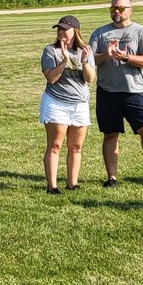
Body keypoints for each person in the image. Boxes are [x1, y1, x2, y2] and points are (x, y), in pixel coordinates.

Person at [90, 0, 143, 187]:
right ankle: (112, 178)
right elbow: (89, 60)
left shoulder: (142, 32)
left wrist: (126, 57)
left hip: (136, 91)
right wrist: (106, 55)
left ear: (130, 10)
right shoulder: (100, 33)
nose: (117, 12)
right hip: (108, 91)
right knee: (110, 134)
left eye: (121, 8)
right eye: (113, 8)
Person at [40, 15, 96, 193]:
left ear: (75, 31)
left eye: (65, 28)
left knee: (76, 147)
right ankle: (53, 186)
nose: (61, 32)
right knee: (55, 145)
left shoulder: (85, 51)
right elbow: (51, 78)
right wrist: (64, 60)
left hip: (79, 105)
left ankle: (72, 184)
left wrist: (85, 60)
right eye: (59, 28)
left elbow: (90, 79)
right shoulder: (50, 51)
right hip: (56, 102)